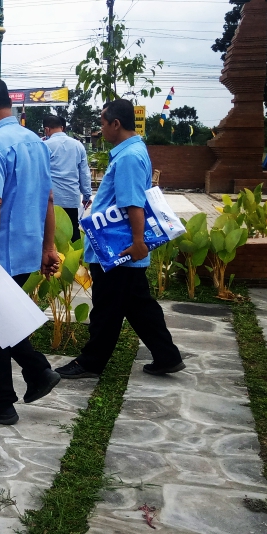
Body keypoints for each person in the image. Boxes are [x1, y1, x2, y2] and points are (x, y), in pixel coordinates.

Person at [56, 100, 184, 379]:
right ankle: (167, 356)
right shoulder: (133, 151)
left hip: (119, 248)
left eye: (103, 123)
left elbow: (133, 203)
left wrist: (138, 243)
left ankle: (91, 363)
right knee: (138, 306)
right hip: (122, 245)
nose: (100, 129)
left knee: (107, 308)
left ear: (116, 124)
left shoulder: (128, 157)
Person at [0, 77, 62, 426]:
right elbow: (49, 198)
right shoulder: (35, 141)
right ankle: (34, 375)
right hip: (26, 249)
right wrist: (48, 247)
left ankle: (2, 400)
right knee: (0, 321)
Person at [42, 113, 92, 241]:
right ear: (62, 128)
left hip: (51, 200)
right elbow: (84, 173)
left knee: (51, 235)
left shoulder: (45, 146)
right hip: (71, 198)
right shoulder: (78, 146)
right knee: (73, 232)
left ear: (47, 129)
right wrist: (87, 196)